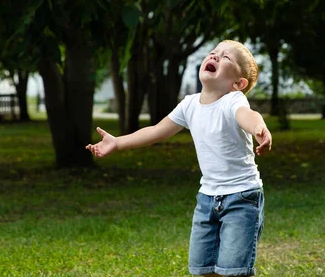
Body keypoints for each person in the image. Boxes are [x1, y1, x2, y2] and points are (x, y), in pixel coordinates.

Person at [86, 40, 272, 277]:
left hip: (242, 197)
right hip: (207, 199)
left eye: (226, 58)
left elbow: (248, 115)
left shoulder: (232, 101)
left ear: (238, 83)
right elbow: (155, 131)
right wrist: (117, 142)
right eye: (213, 53)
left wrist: (259, 129)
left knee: (233, 271)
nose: (214, 57)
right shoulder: (189, 105)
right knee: (202, 268)